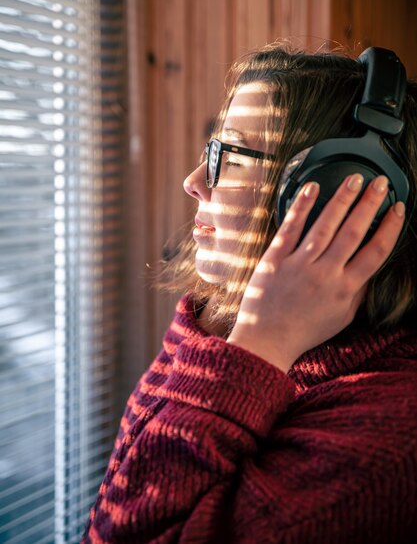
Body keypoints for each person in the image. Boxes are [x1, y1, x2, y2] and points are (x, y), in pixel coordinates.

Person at [82, 44, 417, 543]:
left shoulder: (390, 437)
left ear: (338, 191)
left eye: (231, 157)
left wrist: (264, 342)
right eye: (210, 151)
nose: (193, 182)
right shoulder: (220, 322)